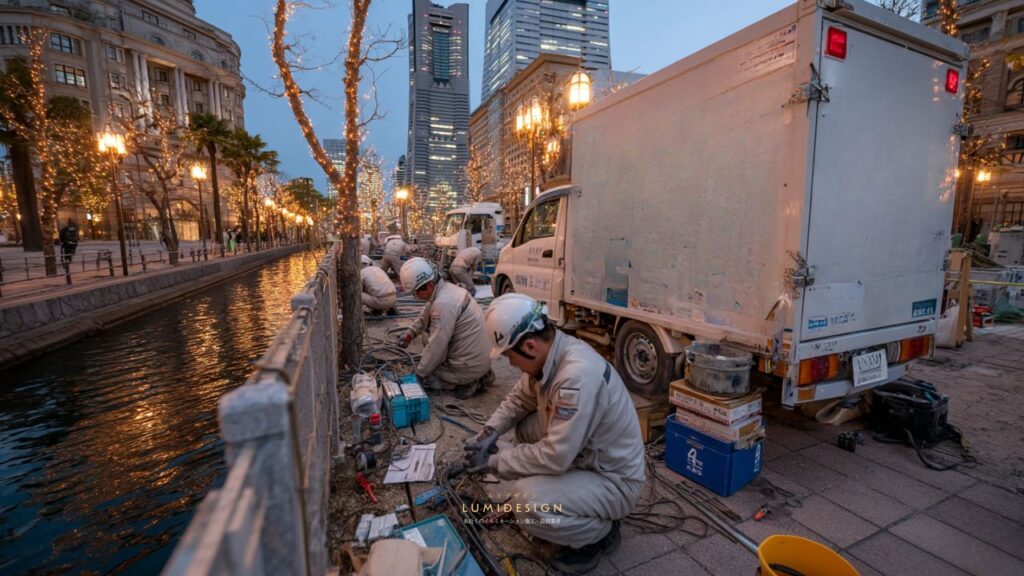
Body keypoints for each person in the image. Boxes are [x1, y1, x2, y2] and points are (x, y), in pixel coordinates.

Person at [463, 293, 645, 574]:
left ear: (530, 346)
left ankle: (596, 533)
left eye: (510, 356)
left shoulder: (575, 377)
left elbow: (556, 456)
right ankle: (569, 500)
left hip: (614, 480)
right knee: (525, 428)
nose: (511, 364)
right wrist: (489, 432)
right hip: (587, 454)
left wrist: (494, 463)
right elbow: (518, 400)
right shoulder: (553, 353)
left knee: (525, 504)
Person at [396, 257, 493, 399]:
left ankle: (469, 381)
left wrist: (419, 374)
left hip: (468, 365)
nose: (414, 296)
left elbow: (437, 345)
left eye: (415, 292)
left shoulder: (443, 304)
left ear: (428, 286)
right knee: (428, 348)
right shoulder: (447, 290)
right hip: (480, 359)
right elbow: (425, 314)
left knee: (431, 375)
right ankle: (481, 373)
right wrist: (409, 334)